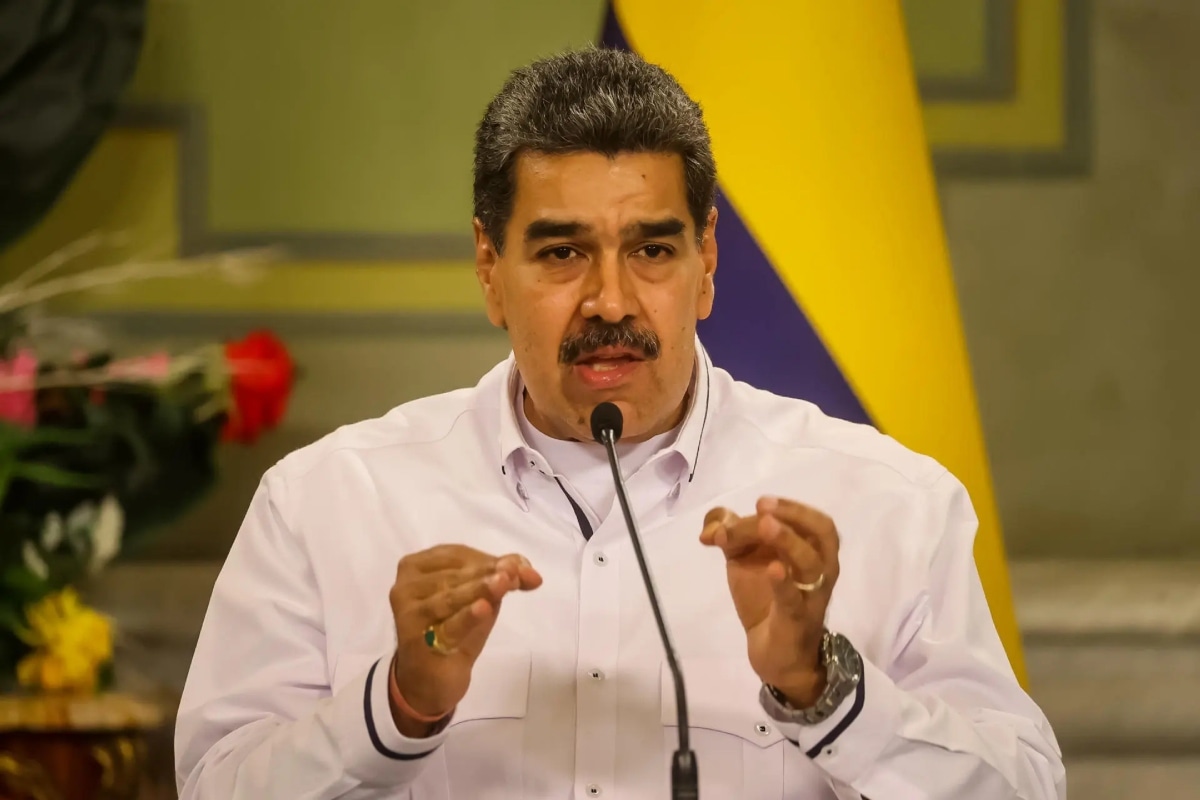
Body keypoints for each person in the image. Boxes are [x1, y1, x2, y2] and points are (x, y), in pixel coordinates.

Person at [175, 47, 1065, 800]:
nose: (610, 299)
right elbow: (213, 780)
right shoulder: (328, 501)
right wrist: (398, 705)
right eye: (562, 253)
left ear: (707, 262)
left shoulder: (889, 502)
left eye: (652, 250)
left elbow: (1025, 783)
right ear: (490, 267)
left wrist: (822, 685)